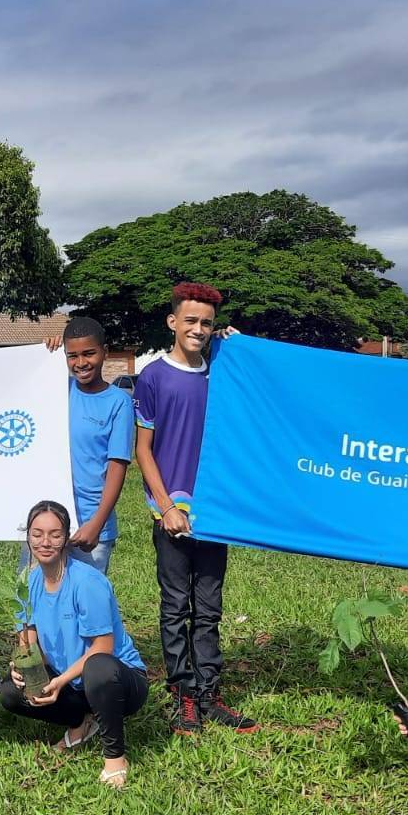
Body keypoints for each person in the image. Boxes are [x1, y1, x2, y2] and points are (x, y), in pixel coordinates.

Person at [132, 282, 255, 736]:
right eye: (191, 321)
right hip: (171, 514)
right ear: (172, 322)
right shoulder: (153, 377)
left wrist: (239, 348)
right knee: (175, 606)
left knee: (209, 608)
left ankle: (209, 692)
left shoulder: (220, 369)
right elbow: (143, 450)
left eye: (207, 323)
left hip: (214, 513)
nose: (199, 329)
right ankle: (183, 693)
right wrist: (166, 507)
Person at [0, 500, 150, 789]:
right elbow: (29, 643)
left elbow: (103, 647)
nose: (45, 542)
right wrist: (22, 666)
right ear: (27, 536)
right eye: (37, 534)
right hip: (74, 682)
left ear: (66, 538)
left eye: (55, 535)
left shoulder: (87, 582)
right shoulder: (27, 583)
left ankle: (115, 758)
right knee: (10, 691)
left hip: (118, 680)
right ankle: (81, 722)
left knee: (98, 668)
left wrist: (60, 681)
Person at [42, 316, 135, 574]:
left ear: (105, 352)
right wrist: (45, 354)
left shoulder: (119, 402)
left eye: (89, 353)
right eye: (72, 356)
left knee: (86, 597)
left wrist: (97, 523)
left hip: (90, 524)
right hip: (47, 521)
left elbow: (117, 467)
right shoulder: (58, 390)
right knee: (35, 595)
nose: (81, 362)